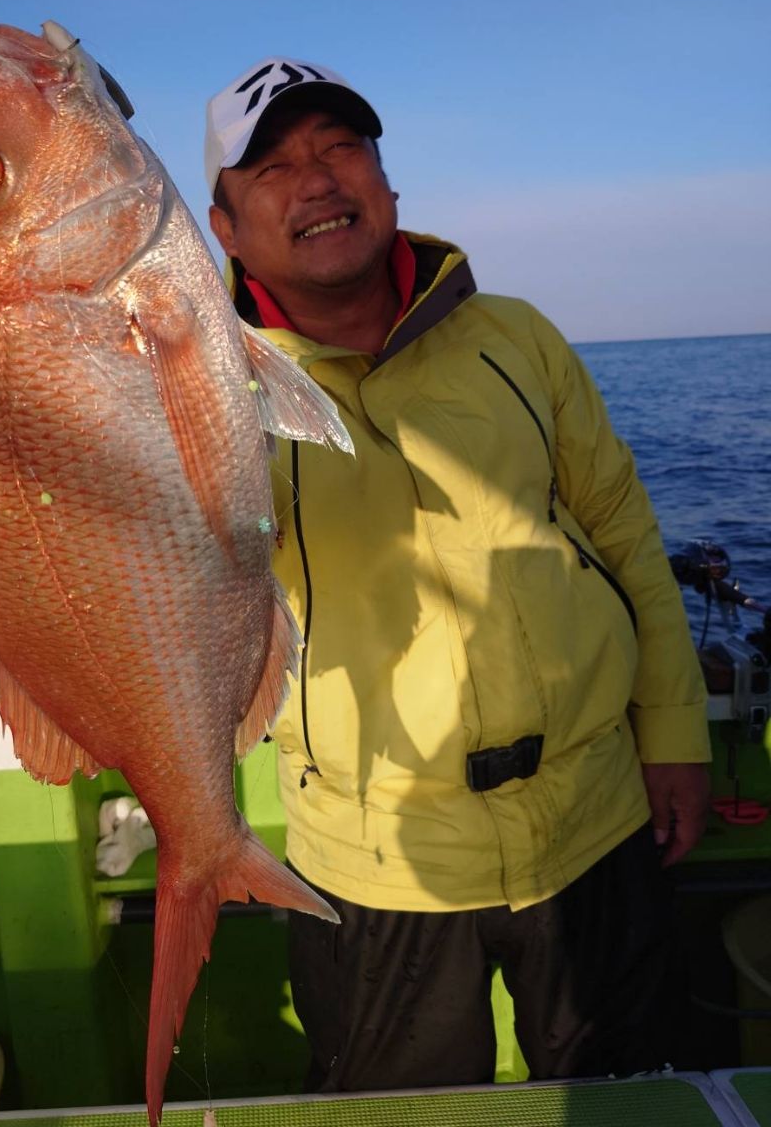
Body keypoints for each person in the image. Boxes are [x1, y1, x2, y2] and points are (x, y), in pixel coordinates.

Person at [203, 58, 712, 1090]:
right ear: (224, 224)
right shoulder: (198, 387)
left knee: (624, 1100)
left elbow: (623, 535)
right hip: (375, 862)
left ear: (387, 183)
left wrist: (675, 733)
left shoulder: (517, 337)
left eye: (342, 148)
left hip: (594, 821)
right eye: (274, 166)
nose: (319, 180)